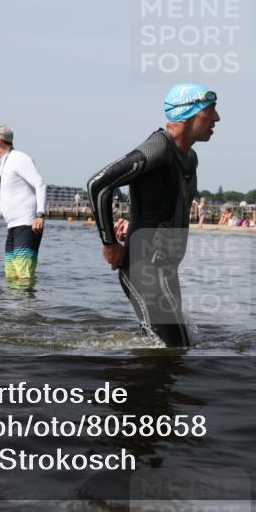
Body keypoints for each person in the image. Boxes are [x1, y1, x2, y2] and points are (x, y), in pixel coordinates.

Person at [87, 82, 219, 347]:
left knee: (174, 349)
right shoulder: (158, 148)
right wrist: (110, 244)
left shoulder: (189, 157)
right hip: (143, 269)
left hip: (167, 270)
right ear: (188, 114)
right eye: (210, 111)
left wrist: (134, 219)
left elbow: (159, 201)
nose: (217, 118)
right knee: (174, 350)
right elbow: (98, 184)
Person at [0, 124, 47, 281]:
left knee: (24, 276)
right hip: (12, 227)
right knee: (11, 277)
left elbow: (40, 184)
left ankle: (26, 305)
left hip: (27, 225)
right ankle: (11, 306)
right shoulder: (4, 164)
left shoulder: (20, 159)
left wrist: (40, 215)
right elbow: (4, 202)